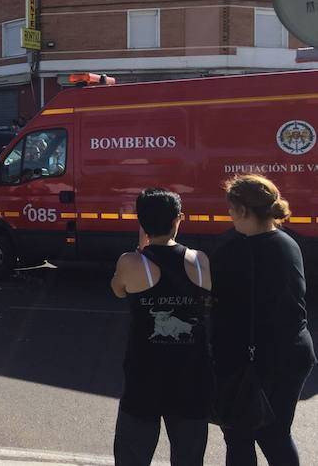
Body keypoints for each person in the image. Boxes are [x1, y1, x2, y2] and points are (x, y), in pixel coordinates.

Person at [211, 175, 315, 465]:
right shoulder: (288, 243)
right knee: (276, 433)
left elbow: (220, 308)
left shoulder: (233, 248)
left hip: (251, 360)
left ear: (242, 211)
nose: (228, 214)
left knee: (239, 434)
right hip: (292, 353)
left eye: (231, 208)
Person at [110, 189, 211, 466]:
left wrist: (141, 248)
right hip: (192, 375)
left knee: (132, 456)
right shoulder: (200, 261)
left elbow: (118, 290)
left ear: (141, 222)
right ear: (178, 219)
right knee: (189, 458)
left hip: (144, 376)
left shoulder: (131, 263)